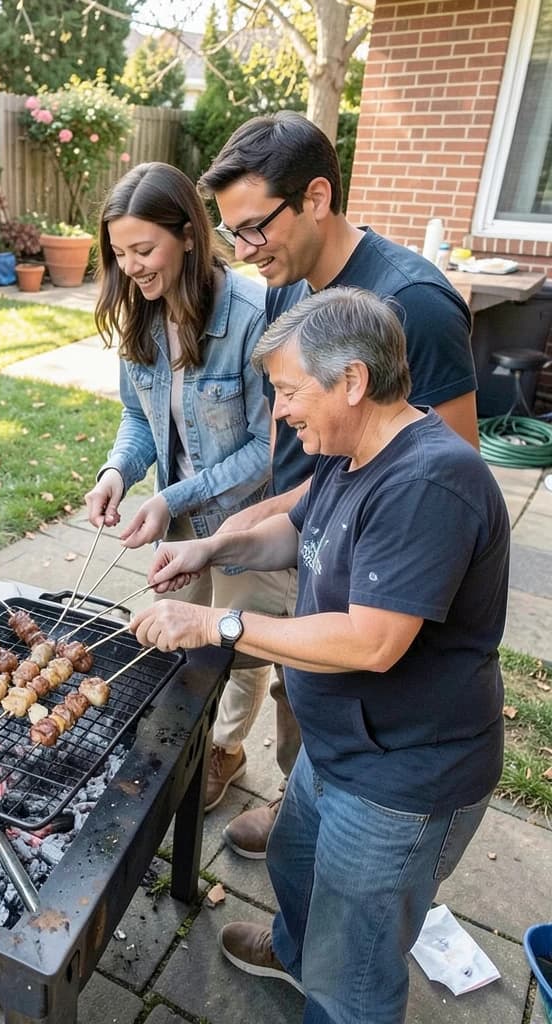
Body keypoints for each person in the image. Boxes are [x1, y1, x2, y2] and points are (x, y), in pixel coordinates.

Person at [132, 287, 508, 1024]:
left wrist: (218, 624)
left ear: (353, 381)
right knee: (294, 862)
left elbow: (371, 641)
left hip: (404, 773)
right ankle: (296, 956)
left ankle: (332, 992)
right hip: (337, 749)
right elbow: (290, 531)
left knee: (356, 970)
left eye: (288, 389)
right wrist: (211, 546)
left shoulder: (430, 482)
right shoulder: (350, 449)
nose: (280, 410)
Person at [195, 110, 479, 851]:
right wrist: (235, 535)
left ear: (316, 197)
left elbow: (448, 473)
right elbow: (322, 471)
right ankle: (304, 821)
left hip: (380, 572)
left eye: (255, 227)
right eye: (233, 233)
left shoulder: (412, 303)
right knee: (306, 690)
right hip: (307, 520)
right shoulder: (292, 286)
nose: (245, 249)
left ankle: (338, 843)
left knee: (336, 686)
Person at [82, 161, 275, 809]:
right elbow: (139, 418)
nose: (131, 267)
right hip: (184, 518)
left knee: (241, 645)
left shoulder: (252, 316)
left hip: (252, 521)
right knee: (184, 643)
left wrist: (170, 499)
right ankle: (184, 741)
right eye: (119, 253)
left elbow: (267, 450)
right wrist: (117, 471)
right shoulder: (140, 315)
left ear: (189, 235)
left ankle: (225, 747)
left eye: (144, 249)